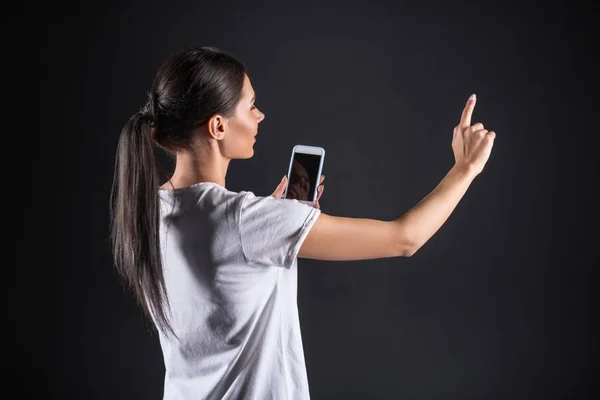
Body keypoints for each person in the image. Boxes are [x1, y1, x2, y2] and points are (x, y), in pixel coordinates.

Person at [109, 46, 496, 400]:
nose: (260, 116)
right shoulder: (246, 220)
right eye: (251, 106)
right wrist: (465, 169)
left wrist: (277, 217)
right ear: (218, 127)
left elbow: (219, 287)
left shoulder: (151, 209)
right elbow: (405, 238)